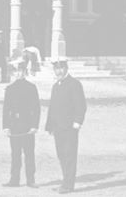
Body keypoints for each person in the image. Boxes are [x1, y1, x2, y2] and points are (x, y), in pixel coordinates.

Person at [45, 59, 86, 194]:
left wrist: (77, 122)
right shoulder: (56, 86)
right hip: (58, 128)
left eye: (61, 68)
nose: (59, 71)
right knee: (61, 155)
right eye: (56, 69)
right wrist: (50, 125)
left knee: (69, 156)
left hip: (70, 128)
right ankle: (65, 182)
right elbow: (53, 107)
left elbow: (81, 105)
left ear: (66, 68)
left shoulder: (74, 84)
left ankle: (68, 186)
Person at [1, 59, 39, 188]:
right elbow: (6, 109)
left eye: (21, 71)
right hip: (14, 126)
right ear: (13, 73)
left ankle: (31, 180)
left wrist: (34, 125)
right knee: (15, 154)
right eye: (16, 71)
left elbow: (36, 108)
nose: (19, 74)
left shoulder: (31, 88)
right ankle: (14, 179)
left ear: (25, 72)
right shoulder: (10, 89)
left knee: (29, 154)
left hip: (27, 125)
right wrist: (6, 126)